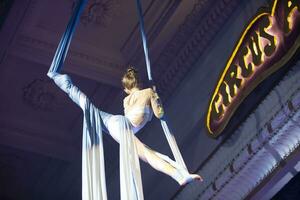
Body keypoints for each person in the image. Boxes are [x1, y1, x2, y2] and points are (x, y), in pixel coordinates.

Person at [47, 67, 202, 186]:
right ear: (139, 82)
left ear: (126, 89)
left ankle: (65, 83)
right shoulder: (148, 92)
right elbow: (159, 114)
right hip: (122, 127)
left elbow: (129, 117)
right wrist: (156, 97)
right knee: (148, 156)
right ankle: (180, 176)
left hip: (116, 122)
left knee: (88, 107)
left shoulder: (126, 101)